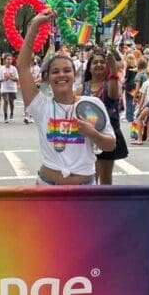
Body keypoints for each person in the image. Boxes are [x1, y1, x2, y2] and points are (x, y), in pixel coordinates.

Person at [17, 10, 116, 185]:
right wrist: (34, 27)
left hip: (84, 191)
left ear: (74, 74)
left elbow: (110, 145)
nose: (61, 75)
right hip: (48, 187)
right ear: (47, 77)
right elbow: (23, 66)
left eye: (66, 70)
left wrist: (92, 134)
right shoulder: (40, 105)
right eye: (55, 71)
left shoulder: (90, 105)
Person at [82, 50, 128, 184]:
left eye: (102, 62)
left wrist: (114, 70)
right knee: (90, 176)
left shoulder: (112, 84)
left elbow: (113, 95)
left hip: (107, 134)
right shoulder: (82, 88)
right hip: (87, 135)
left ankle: (105, 204)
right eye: (95, 62)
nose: (99, 65)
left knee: (106, 178)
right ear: (89, 67)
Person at [0, 54, 20, 123]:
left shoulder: (14, 68)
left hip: (12, 88)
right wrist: (5, 79)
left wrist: (10, 77)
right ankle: (5, 116)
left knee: (11, 102)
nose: (9, 61)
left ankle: (11, 114)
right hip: (4, 88)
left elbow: (17, 79)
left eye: (10, 59)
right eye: (7, 59)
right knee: (6, 101)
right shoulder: (2, 68)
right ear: (4, 60)